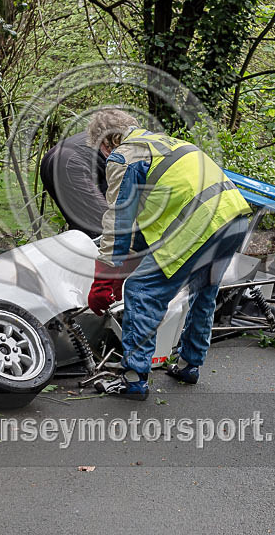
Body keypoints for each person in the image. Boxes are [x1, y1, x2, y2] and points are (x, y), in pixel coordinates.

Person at [86, 109, 251, 400]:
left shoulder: (124, 157)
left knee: (141, 290)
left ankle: (133, 378)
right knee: (204, 290)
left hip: (198, 225)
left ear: (106, 141)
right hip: (233, 217)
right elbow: (154, 214)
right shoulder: (167, 143)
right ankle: (189, 364)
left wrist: (104, 279)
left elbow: (118, 220)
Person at [38, 132, 108, 237]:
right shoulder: (132, 149)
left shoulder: (118, 135)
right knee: (105, 227)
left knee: (80, 227)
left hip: (50, 159)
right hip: (71, 162)